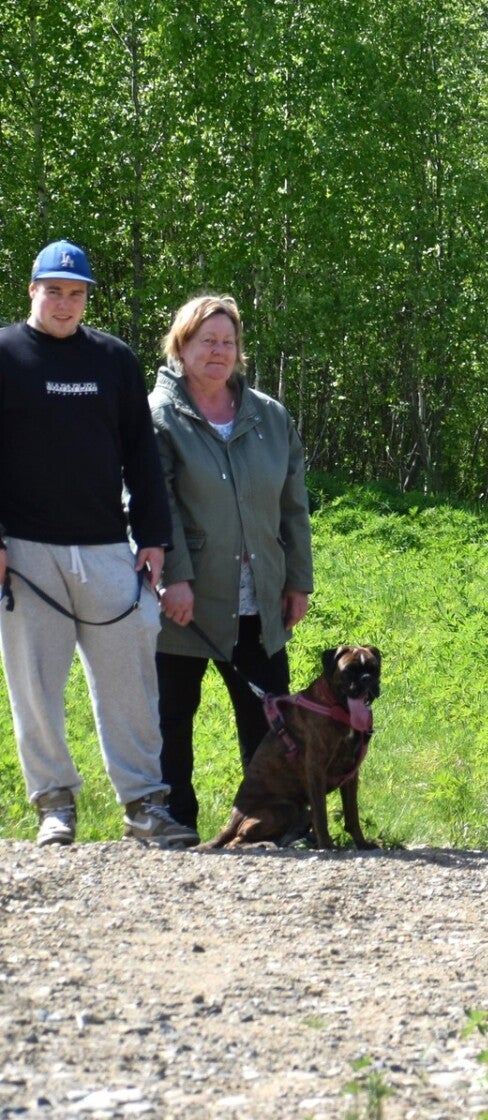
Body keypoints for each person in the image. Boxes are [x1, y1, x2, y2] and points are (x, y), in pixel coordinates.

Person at [0, 240, 196, 848]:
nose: (65, 303)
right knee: (34, 686)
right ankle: (54, 804)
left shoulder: (113, 359)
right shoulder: (5, 354)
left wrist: (155, 538)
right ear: (32, 290)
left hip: (109, 547)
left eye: (76, 293)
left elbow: (142, 453)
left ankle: (145, 805)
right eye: (54, 291)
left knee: (131, 682)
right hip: (25, 550)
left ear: (87, 297)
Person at [150, 295, 314, 836]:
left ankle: (271, 824)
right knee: (172, 717)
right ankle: (174, 823)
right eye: (207, 341)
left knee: (270, 719)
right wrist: (173, 578)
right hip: (187, 602)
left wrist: (297, 581)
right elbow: (154, 505)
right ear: (181, 346)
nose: (219, 351)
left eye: (228, 341)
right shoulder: (158, 416)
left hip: (259, 597)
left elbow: (292, 505)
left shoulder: (269, 416)